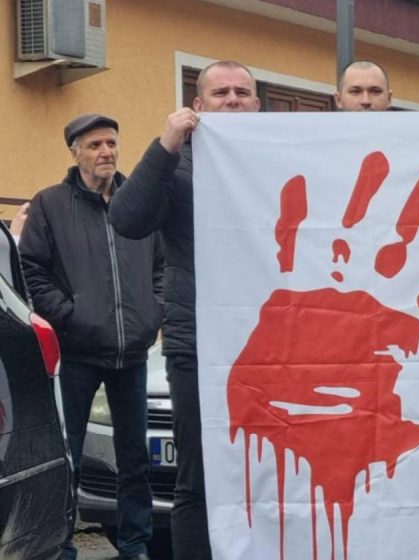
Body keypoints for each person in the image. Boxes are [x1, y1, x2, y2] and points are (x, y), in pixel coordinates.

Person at [109, 61, 261, 560]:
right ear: (197, 106)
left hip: (275, 348)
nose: (233, 100)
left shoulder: (282, 160)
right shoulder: (177, 166)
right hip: (199, 347)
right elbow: (127, 219)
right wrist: (165, 146)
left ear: (257, 105)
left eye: (242, 92)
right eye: (221, 93)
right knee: (199, 481)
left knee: (273, 473)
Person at [19, 114, 162, 560]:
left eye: (112, 143)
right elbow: (31, 269)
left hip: (132, 354)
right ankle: (61, 542)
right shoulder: (50, 204)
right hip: (77, 354)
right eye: (96, 144)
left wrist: (153, 311)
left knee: (135, 458)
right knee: (69, 456)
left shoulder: (139, 202)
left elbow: (161, 266)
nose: (106, 152)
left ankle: (135, 543)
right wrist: (70, 317)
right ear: (75, 151)